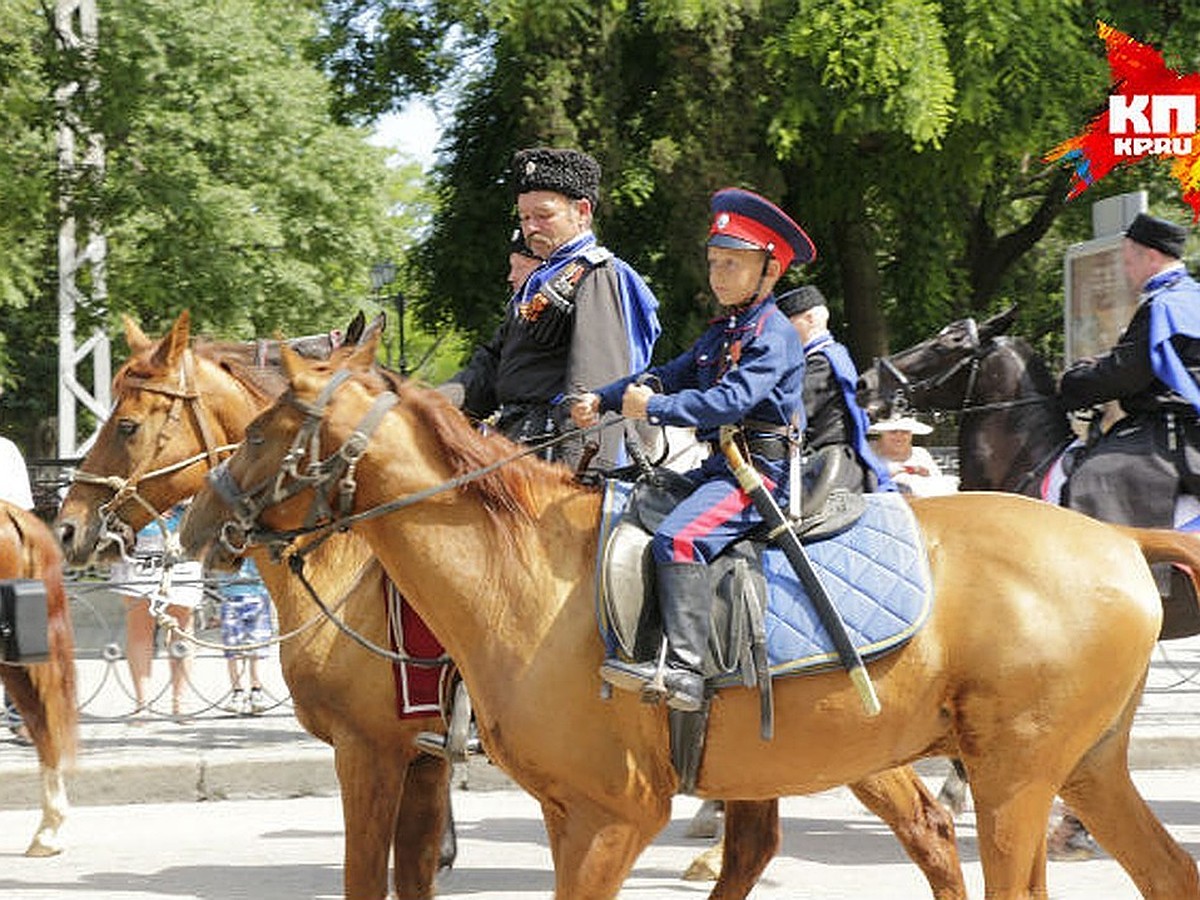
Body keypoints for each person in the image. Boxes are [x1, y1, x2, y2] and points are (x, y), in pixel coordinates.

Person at [572, 186, 813, 712]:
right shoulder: (726, 329)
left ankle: (685, 669)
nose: (718, 274)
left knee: (680, 541)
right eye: (714, 261)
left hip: (757, 479)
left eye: (733, 263)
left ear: (769, 272)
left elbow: (729, 402)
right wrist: (606, 397)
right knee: (629, 508)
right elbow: (668, 374)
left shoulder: (773, 334)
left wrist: (650, 410)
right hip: (719, 468)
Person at [440, 146, 661, 470]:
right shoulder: (541, 281)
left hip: (554, 461)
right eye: (524, 217)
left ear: (582, 212)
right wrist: (420, 404)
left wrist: (580, 478)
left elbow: (592, 390)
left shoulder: (597, 274)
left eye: (543, 216)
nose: (531, 227)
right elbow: (486, 372)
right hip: (513, 447)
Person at [1060, 212, 1200, 556]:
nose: (1126, 271)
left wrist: (1073, 381)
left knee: (1091, 478)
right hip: (1186, 429)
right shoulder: (1190, 297)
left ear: (1150, 257)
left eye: (1128, 261)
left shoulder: (1164, 305)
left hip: (1173, 434)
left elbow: (1126, 374)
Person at [776, 285, 891, 496]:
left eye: (788, 323)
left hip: (822, 462)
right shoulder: (835, 354)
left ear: (810, 319)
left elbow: (787, 414)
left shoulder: (820, 363)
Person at [110, 502, 204, 718]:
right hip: (139, 540)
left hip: (183, 536)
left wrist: (180, 499)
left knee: (182, 626)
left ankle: (181, 701)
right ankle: (143, 703)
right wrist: (145, 504)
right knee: (139, 627)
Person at [0, 418, 34, 744]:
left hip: (6, 556)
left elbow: (22, 512)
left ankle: (21, 716)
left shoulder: (6, 451)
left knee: (17, 639)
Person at [217, 556, 273, 715]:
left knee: (257, 647)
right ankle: (237, 691)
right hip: (230, 593)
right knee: (232, 649)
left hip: (258, 592)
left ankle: (256, 690)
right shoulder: (224, 534)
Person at [867, 413, 956, 497]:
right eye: (893, 432)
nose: (899, 436)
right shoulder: (868, 453)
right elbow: (861, 483)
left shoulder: (920, 453)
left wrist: (926, 474)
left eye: (905, 432)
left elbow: (939, 484)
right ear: (882, 433)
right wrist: (889, 474)